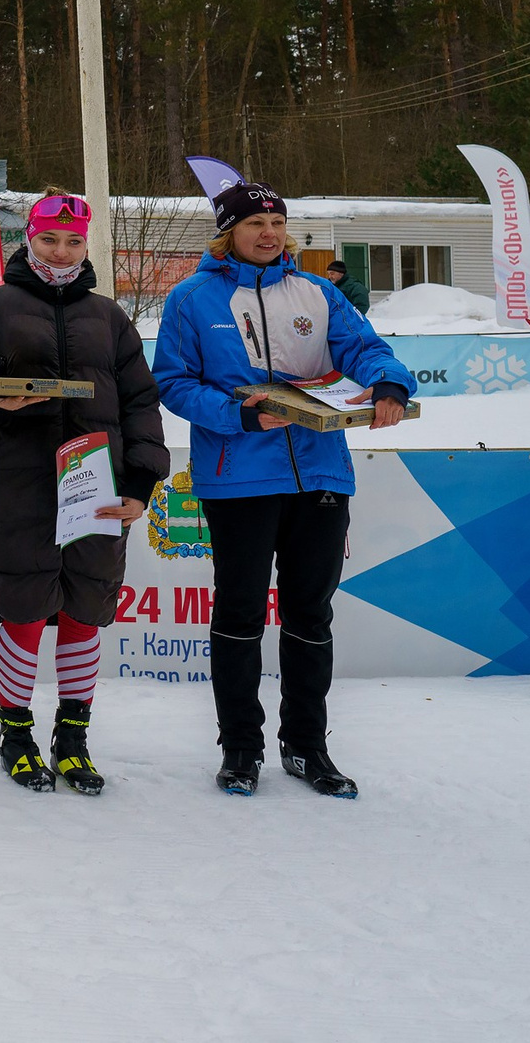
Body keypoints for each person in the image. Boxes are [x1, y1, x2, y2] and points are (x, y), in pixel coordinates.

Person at [153, 180, 415, 799]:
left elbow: (366, 349)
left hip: (320, 473)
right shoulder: (192, 298)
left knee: (309, 613)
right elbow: (173, 382)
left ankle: (306, 747)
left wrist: (388, 384)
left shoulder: (318, 292)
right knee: (240, 612)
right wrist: (240, 416)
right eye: (254, 224)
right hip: (237, 477)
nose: (268, 233)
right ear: (229, 232)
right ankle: (241, 749)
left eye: (276, 222)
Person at [0, 191, 167, 794]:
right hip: (21, 483)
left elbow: (141, 403)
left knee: (84, 611)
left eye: (73, 241)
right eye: (49, 239)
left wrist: (140, 481)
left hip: (97, 485)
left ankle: (73, 739)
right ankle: (16, 736)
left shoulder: (109, 317)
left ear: (86, 245)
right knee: (24, 611)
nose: (61, 252)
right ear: (29, 240)